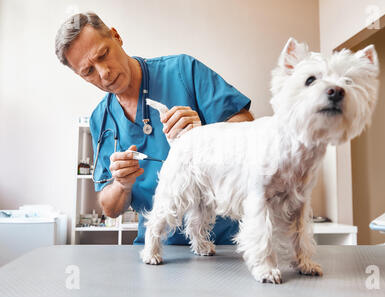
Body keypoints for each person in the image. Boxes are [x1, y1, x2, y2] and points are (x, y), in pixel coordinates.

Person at [55, 12, 254, 245]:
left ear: (116, 37)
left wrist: (206, 135)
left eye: (103, 54)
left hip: (224, 242)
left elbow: (248, 127)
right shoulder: (101, 118)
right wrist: (122, 184)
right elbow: (109, 207)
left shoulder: (183, 71)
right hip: (158, 246)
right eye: (88, 72)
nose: (104, 73)